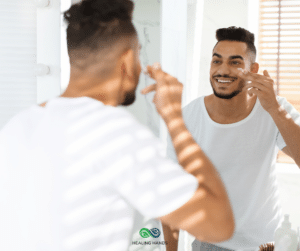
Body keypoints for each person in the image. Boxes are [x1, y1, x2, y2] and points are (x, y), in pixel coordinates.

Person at [0, 1, 235, 251]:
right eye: (139, 53)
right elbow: (218, 225)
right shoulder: (112, 133)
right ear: (127, 58)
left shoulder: (18, 125)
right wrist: (174, 118)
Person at [163, 26, 300, 251]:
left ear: (253, 69)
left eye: (235, 62)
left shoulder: (275, 108)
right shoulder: (186, 118)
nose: (223, 70)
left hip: (266, 244)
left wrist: (274, 109)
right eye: (217, 61)